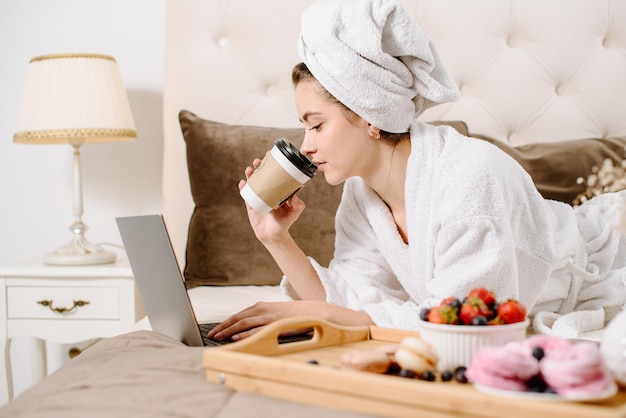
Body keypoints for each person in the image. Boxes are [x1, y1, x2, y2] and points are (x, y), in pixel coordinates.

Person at [208, 0, 626, 342]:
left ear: (370, 114)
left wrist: (330, 314)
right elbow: (350, 301)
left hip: (611, 255)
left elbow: (467, 329)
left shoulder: (470, 177)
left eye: (316, 124)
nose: (307, 145)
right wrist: (277, 240)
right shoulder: (363, 194)